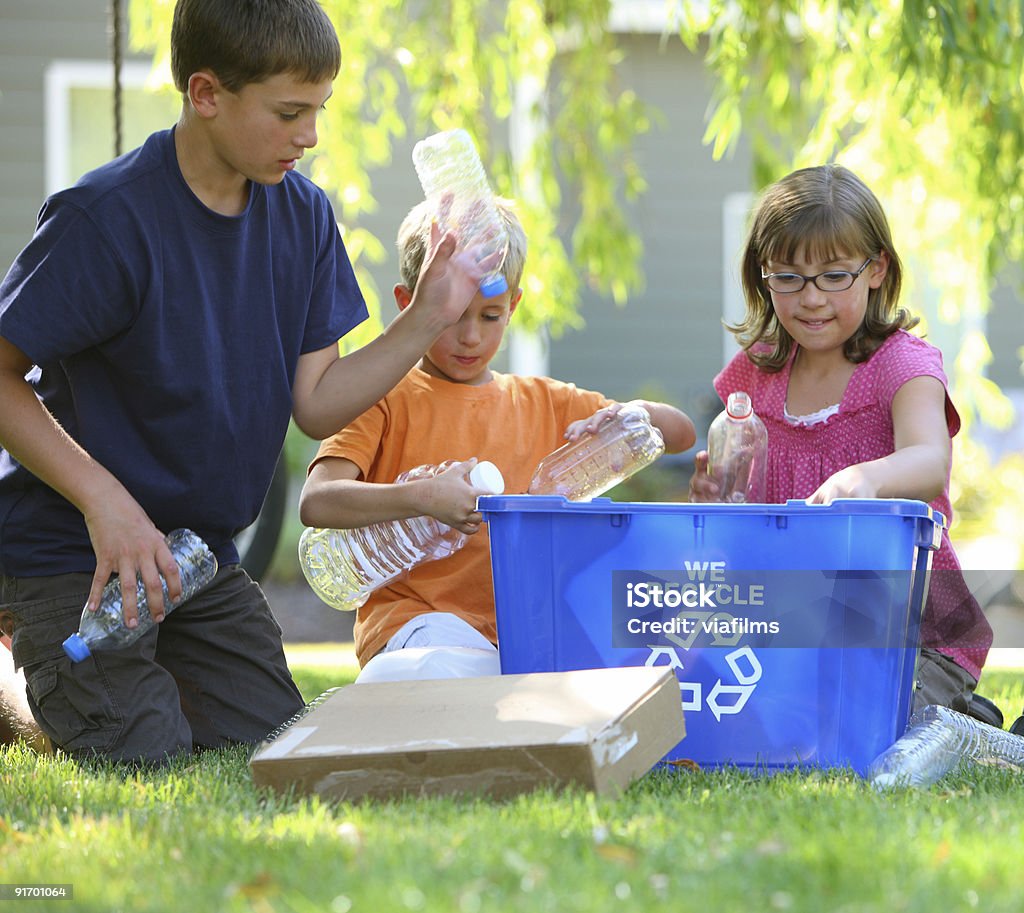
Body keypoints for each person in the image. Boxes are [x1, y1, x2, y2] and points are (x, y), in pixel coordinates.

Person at [0, 0, 497, 763]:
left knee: (278, 745)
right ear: (206, 94)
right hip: (77, 551)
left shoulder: (303, 217)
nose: (311, 135)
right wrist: (107, 503)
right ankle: (21, 685)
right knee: (145, 752)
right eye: (290, 111)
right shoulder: (105, 219)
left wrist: (428, 314)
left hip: (197, 560)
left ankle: (122, 676)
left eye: (320, 110)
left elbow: (316, 402)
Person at [299, 197, 697, 682]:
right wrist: (422, 497)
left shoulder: (546, 402)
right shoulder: (380, 395)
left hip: (519, 634)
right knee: (431, 670)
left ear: (513, 306)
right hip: (416, 629)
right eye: (453, 317)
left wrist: (632, 416)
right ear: (411, 304)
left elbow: (680, 434)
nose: (470, 337)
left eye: (489, 316)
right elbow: (317, 502)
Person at [689, 163, 992, 713]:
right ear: (764, 275)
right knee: (750, 710)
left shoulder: (904, 366)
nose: (810, 298)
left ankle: (965, 724)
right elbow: (745, 503)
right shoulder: (756, 374)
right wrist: (717, 497)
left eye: (833, 276)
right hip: (797, 628)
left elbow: (929, 462)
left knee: (869, 719)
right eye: (788, 277)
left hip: (914, 633)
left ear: (876, 269)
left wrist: (867, 477)